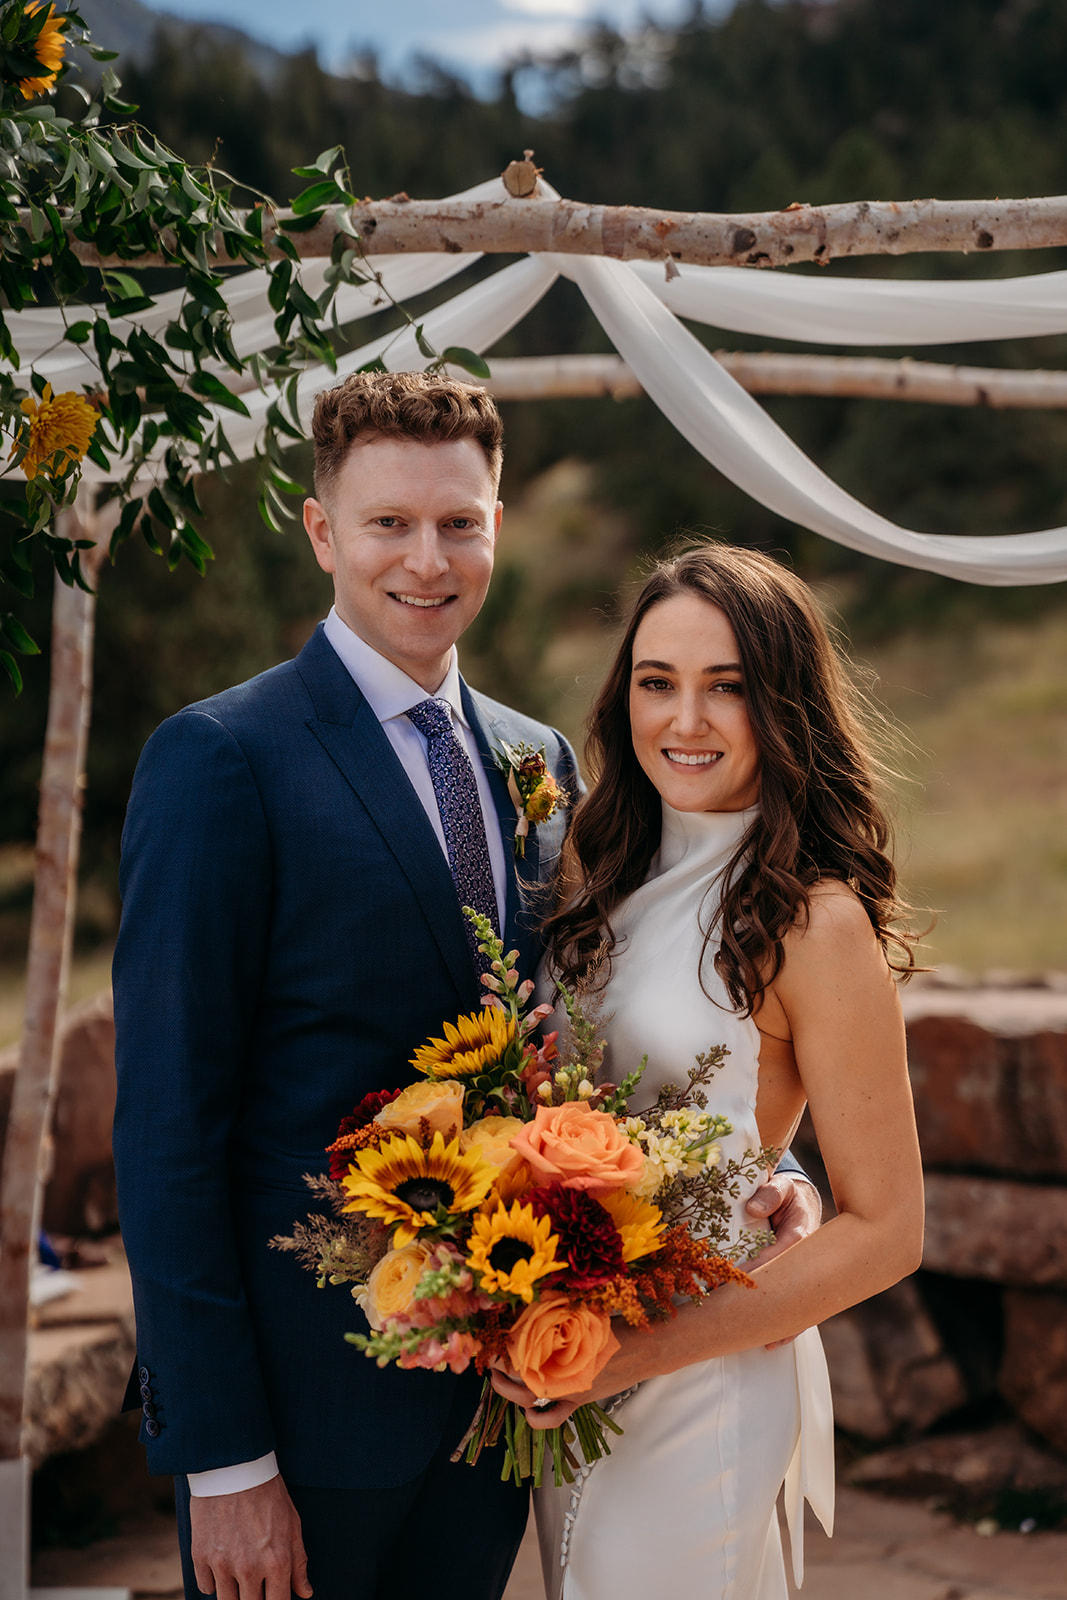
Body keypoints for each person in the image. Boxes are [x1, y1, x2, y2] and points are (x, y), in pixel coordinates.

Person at [111, 374, 820, 1600]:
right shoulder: (223, 758)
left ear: (496, 524)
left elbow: (596, 1038)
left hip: (500, 1415)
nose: (426, 560)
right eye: (388, 523)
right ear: (323, 530)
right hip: (303, 1424)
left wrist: (756, 1175)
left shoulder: (535, 758)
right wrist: (223, 1460)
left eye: (460, 523)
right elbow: (167, 1130)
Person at [491, 545, 925, 1600]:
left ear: (781, 705)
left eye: (724, 687)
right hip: (568, 1361)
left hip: (696, 1375)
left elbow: (891, 1228)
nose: (683, 720)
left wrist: (633, 1354)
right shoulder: (607, 877)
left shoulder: (812, 921)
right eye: (657, 683)